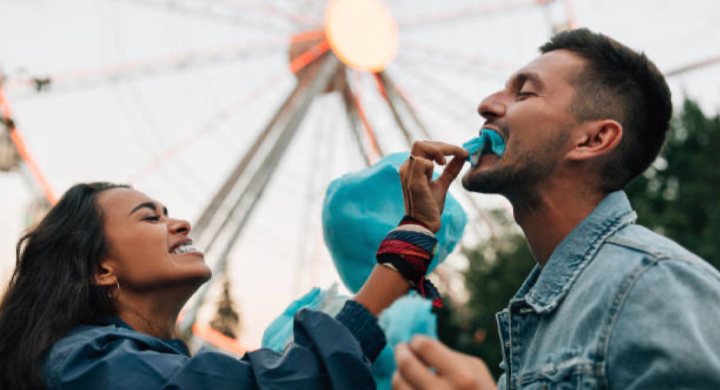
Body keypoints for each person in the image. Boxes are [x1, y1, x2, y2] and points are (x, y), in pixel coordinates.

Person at [391, 28, 720, 389]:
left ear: (593, 140)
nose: (486, 104)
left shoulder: (655, 285)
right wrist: (417, 229)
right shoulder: (537, 315)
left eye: (525, 92)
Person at [0, 181, 441, 390]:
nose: (181, 223)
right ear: (101, 269)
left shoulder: (112, 362)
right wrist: (405, 253)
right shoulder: (85, 365)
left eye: (168, 211)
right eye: (150, 218)